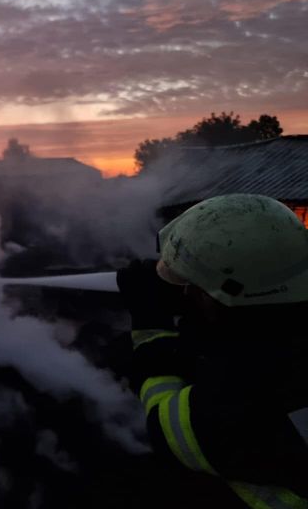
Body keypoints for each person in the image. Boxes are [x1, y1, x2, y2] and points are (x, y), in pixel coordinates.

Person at [117, 194, 308, 508]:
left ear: (225, 296)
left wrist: (150, 322)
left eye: (194, 286)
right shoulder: (287, 341)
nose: (187, 293)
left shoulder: (236, 406)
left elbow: (167, 427)